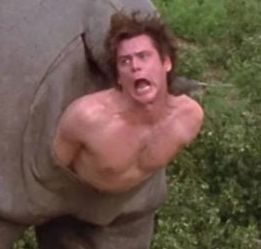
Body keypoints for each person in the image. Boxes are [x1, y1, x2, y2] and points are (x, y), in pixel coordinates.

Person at [53, 10, 204, 193]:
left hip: (139, 201)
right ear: (118, 77)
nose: (135, 66)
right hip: (80, 198)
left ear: (166, 63)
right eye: (124, 61)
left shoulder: (189, 117)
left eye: (143, 56)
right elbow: (52, 174)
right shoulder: (87, 118)